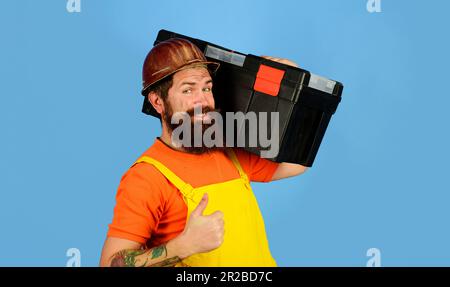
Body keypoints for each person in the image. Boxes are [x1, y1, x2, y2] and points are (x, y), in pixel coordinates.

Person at [99, 38, 307, 267]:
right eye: (188, 89)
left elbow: (298, 162)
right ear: (158, 102)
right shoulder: (146, 177)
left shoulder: (229, 151)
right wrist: (183, 246)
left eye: (207, 88)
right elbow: (110, 263)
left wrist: (292, 85)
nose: (203, 100)